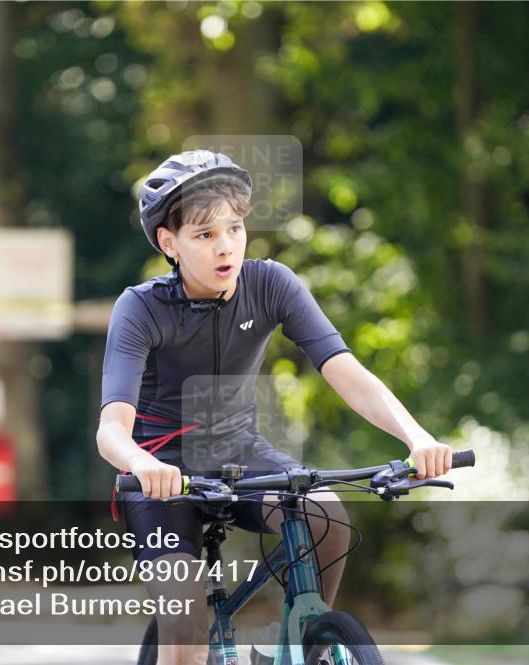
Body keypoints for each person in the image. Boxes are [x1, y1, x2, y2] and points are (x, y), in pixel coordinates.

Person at [96, 149, 452, 665]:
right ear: (168, 243)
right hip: (161, 472)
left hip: (240, 455)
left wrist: (416, 437)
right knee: (186, 628)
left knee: (326, 514)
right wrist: (143, 465)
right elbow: (112, 429)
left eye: (235, 229)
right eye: (205, 235)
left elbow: (346, 372)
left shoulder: (271, 284)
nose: (226, 247)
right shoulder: (141, 308)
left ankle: (308, 642)